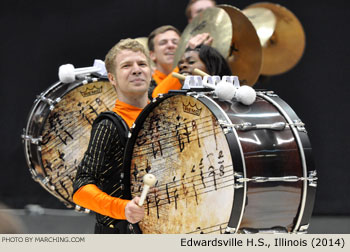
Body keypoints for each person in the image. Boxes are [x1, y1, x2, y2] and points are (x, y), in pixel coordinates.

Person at [72, 38, 152, 234]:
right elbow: (81, 187)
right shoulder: (109, 125)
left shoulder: (165, 117)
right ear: (112, 78)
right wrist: (122, 208)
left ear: (151, 72)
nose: (136, 69)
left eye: (142, 64)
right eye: (126, 66)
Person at [153, 44, 232, 96]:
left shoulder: (231, 99)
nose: (182, 66)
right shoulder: (175, 103)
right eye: (180, 64)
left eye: (191, 62)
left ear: (212, 69)